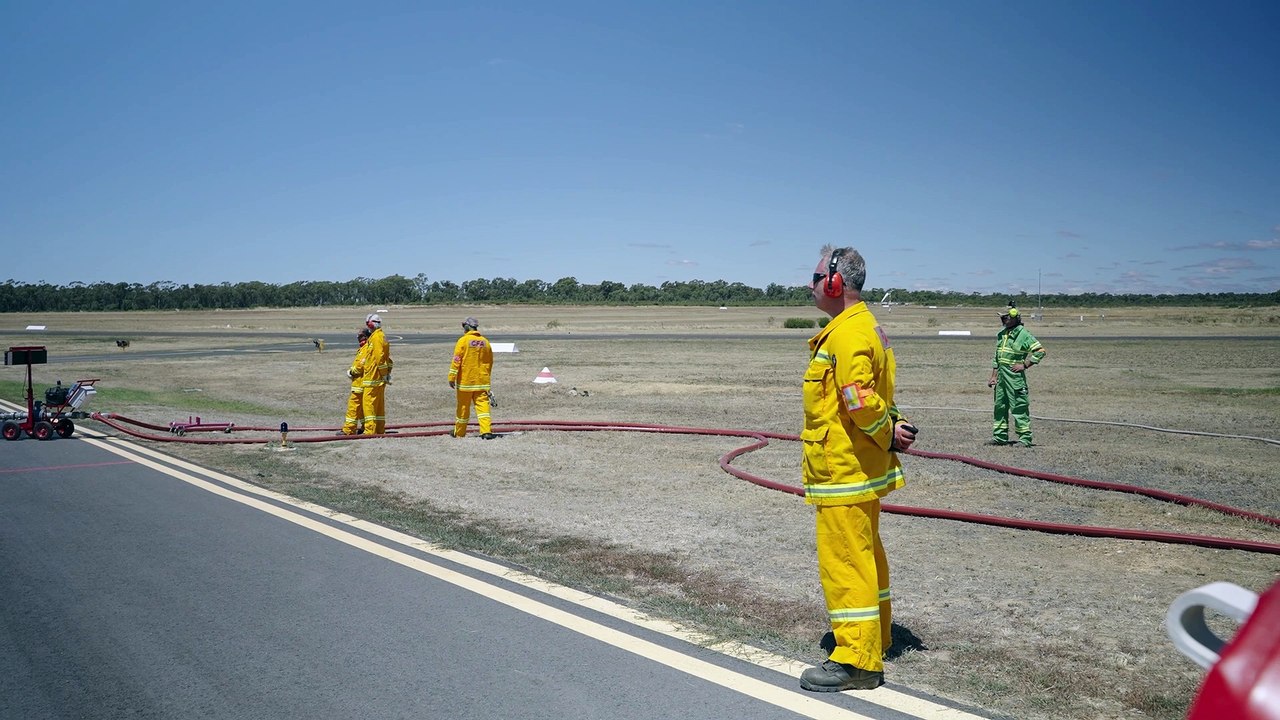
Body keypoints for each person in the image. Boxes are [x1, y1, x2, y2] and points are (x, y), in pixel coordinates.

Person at [799, 245, 917, 693]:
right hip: (857, 470)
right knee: (867, 557)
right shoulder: (865, 326)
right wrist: (893, 426)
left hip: (842, 470)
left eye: (813, 279)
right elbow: (874, 393)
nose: (808, 287)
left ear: (833, 283)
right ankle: (875, 639)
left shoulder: (847, 334)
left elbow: (858, 398)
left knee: (846, 563)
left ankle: (856, 661)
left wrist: (887, 431)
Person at [987, 306, 1046, 446]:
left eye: (1006, 317)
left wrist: (1025, 365)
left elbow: (1040, 351)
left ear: (1014, 317)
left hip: (1015, 379)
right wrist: (993, 376)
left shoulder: (1024, 335)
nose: (1003, 320)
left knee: (1019, 407)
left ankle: (1025, 439)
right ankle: (1000, 437)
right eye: (1002, 317)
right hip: (1001, 378)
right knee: (1000, 406)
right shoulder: (1001, 334)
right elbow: (997, 358)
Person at [448, 316, 495, 439]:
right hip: (482, 381)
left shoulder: (463, 341)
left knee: (463, 408)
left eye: (464, 326)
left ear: (467, 327)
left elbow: (456, 360)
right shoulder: (485, 342)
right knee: (483, 407)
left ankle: (459, 433)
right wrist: (486, 377)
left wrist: (451, 377)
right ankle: (486, 431)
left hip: (466, 382)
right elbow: (490, 362)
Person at [360, 313, 393, 434]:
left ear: (370, 324)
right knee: (378, 406)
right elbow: (387, 358)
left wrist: (384, 373)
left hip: (373, 377)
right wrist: (386, 373)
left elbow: (380, 358)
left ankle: (369, 430)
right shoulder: (381, 336)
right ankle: (379, 429)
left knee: (369, 405)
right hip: (378, 378)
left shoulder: (376, 338)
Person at [340, 328, 371, 435]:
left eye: (361, 336)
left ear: (366, 337)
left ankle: (349, 430)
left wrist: (351, 372)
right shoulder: (364, 348)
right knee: (362, 409)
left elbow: (360, 366)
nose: (358, 338)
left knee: (353, 408)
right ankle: (364, 426)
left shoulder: (366, 348)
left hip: (360, 384)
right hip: (361, 384)